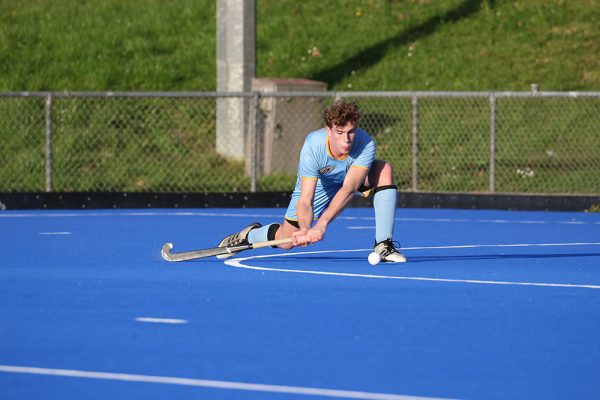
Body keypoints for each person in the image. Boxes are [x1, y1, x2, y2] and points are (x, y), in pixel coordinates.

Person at [217, 99, 406, 263]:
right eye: (340, 132)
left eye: (351, 132)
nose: (347, 140)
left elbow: (349, 188)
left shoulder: (365, 144)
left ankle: (383, 244)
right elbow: (306, 200)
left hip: (349, 178)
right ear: (328, 130)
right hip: (320, 186)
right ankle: (248, 235)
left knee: (384, 170)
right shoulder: (313, 145)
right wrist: (306, 228)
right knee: (286, 241)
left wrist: (321, 224)